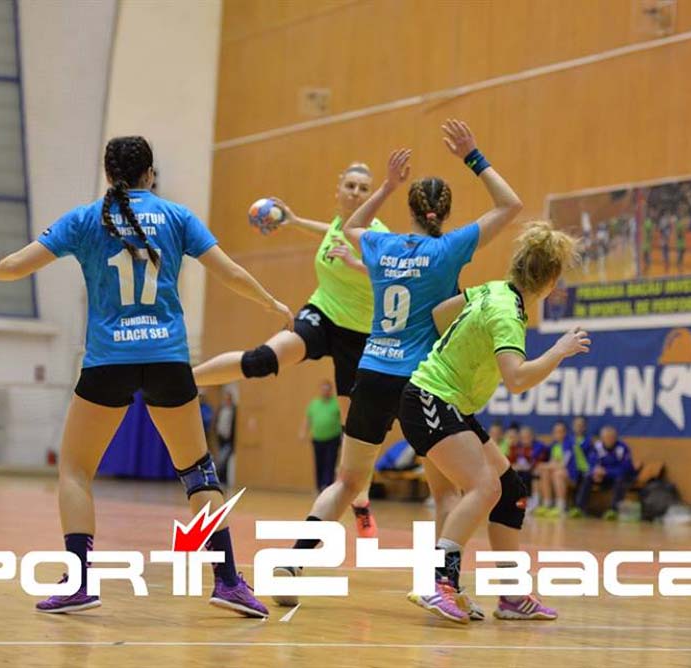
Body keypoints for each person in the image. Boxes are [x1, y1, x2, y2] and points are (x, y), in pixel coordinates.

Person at [0, 136, 291, 617]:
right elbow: (228, 273)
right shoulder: (177, 216)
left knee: (75, 471)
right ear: (150, 174)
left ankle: (79, 583)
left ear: (108, 174)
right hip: (167, 358)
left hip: (108, 361)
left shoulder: (84, 219)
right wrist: (269, 301)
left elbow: (19, 266)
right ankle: (228, 581)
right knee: (198, 471)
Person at [273, 120, 523, 610]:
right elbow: (510, 205)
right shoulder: (448, 249)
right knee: (447, 492)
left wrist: (387, 185)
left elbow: (350, 226)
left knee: (347, 482)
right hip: (422, 384)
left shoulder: (382, 246)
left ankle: (291, 563)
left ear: (409, 210)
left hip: (371, 372)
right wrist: (473, 156)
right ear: (445, 212)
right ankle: (439, 585)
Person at [399, 220, 588, 623]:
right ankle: (438, 582)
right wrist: (559, 350)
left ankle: (512, 595)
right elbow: (516, 379)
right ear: (550, 281)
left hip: (449, 403)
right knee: (484, 487)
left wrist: (464, 349)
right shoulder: (507, 315)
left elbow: (439, 314)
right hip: (432, 399)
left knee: (510, 491)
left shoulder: (492, 289)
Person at [192, 160, 388, 535]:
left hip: (360, 337)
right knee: (264, 359)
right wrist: (296, 222)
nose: (356, 193)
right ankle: (185, 379)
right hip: (322, 314)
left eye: (364, 188)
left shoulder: (378, 233)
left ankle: (361, 502)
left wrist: (354, 263)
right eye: (350, 185)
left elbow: (390, 271)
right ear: (339, 189)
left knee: (355, 434)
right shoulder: (339, 222)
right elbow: (332, 231)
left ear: (372, 195)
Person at [573, 426, 636, 520]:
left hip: (620, 477)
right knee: (587, 477)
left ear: (616, 438)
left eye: (612, 437)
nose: (609, 440)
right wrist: (594, 472)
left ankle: (613, 511)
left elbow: (625, 469)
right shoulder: (597, 447)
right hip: (603, 477)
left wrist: (606, 472)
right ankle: (579, 508)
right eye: (606, 438)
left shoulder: (622, 448)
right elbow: (591, 463)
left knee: (620, 480)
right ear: (602, 438)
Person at [534, 420, 588, 518]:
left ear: (565, 432)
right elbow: (552, 462)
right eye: (555, 432)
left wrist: (545, 465)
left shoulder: (570, 443)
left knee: (557, 474)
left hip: (576, 476)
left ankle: (561, 506)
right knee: (544, 472)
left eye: (560, 431)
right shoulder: (554, 445)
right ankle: (547, 504)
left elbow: (564, 464)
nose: (558, 434)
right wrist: (544, 466)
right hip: (560, 473)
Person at [301, 380, 343, 491]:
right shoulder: (314, 404)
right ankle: (319, 487)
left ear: (331, 390)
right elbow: (308, 419)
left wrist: (344, 435)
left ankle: (327, 486)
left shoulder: (336, 403)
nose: (325, 391)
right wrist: (303, 432)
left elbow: (343, 420)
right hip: (317, 438)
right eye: (323, 389)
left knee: (330, 462)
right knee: (319, 463)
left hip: (333, 438)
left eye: (328, 389)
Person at [214, 392, 237, 486]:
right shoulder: (221, 408)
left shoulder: (234, 410)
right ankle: (221, 479)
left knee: (223, 459)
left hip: (228, 439)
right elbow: (218, 422)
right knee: (221, 459)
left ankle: (222, 480)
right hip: (221, 437)